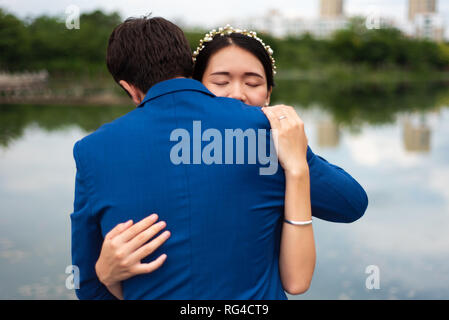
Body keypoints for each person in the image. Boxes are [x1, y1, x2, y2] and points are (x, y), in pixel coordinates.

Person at [71, 17, 368, 300]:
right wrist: (299, 158)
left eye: (252, 83)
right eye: (222, 81)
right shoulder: (264, 133)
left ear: (129, 88)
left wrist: (104, 274)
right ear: (191, 73)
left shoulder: (92, 150)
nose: (237, 95)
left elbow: (87, 287)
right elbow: (351, 204)